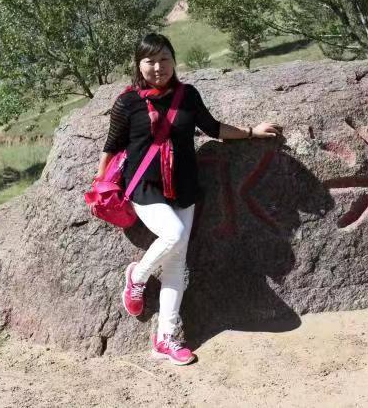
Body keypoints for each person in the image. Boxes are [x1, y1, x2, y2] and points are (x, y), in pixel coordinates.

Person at [96, 33, 281, 366]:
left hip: (184, 187)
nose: (158, 67)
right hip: (144, 187)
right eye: (150, 61)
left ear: (174, 61)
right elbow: (111, 146)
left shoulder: (188, 95)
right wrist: (101, 183)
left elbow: (213, 128)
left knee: (177, 266)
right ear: (138, 64)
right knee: (174, 235)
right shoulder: (127, 102)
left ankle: (165, 338)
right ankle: (137, 277)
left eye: (164, 59)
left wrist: (251, 132)